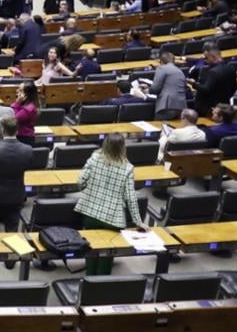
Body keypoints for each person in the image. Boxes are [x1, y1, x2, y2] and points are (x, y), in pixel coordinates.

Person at [74, 133, 146, 275]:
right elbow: (131, 198)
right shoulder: (127, 168)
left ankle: (89, 278)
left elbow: (80, 182)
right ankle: (102, 285)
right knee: (107, 253)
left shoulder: (94, 159)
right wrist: (139, 222)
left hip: (90, 212)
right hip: (113, 218)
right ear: (123, 147)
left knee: (91, 247)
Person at [0, 116, 32, 242]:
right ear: (17, 130)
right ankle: (10, 261)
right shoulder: (27, 150)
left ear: (2, 130)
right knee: (12, 231)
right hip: (16, 195)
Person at [133, 52, 187, 120]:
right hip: (181, 107)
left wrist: (146, 91)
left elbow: (155, 89)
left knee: (160, 127)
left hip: (167, 106)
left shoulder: (162, 68)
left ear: (161, 61)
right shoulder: (180, 71)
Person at [193, 47, 237, 116]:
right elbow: (234, 87)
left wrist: (193, 84)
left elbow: (207, 89)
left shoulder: (213, 72)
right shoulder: (231, 68)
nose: (205, 61)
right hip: (225, 105)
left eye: (206, 58)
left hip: (211, 108)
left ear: (213, 57)